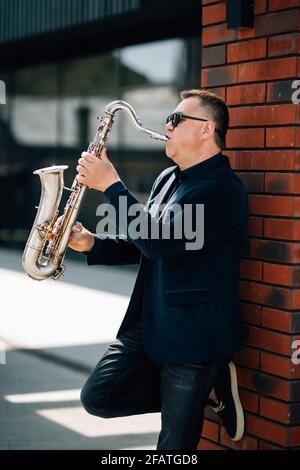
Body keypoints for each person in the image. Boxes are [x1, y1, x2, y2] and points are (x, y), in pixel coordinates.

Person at [60, 89, 249, 450]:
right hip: (150, 324)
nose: (167, 125)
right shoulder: (167, 179)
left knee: (173, 448)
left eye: (177, 120)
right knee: (98, 397)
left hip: (193, 337)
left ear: (207, 129)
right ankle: (202, 394)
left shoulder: (222, 191)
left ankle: (206, 383)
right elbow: (146, 243)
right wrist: (93, 244)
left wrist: (112, 186)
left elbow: (159, 241)